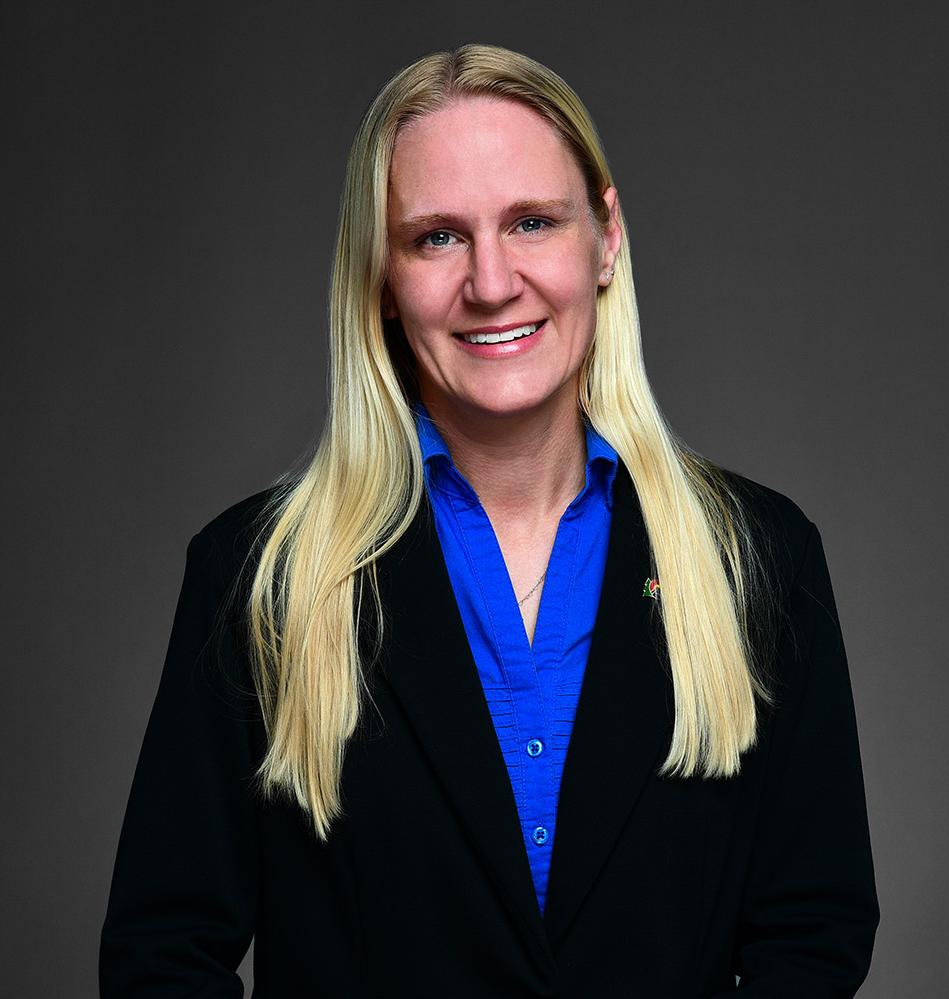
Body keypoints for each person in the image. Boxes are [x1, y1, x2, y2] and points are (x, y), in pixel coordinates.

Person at [99, 43, 879, 997]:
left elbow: (814, 928)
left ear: (605, 236)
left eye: (532, 222)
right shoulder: (255, 576)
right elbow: (162, 954)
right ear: (381, 277)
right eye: (437, 236)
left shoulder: (759, 559)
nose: (491, 280)